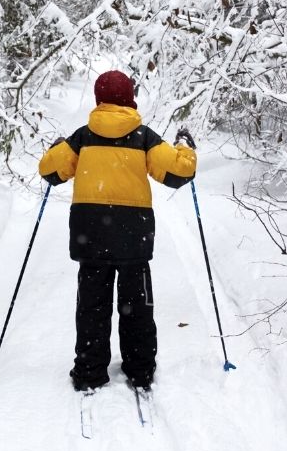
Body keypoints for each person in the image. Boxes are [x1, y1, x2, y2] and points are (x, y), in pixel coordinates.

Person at [39, 70, 197, 392]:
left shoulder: (82, 137)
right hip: (132, 237)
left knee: (92, 305)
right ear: (129, 99)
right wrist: (185, 146)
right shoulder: (143, 137)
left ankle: (90, 370)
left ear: (99, 100)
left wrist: (56, 147)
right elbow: (180, 172)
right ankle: (139, 369)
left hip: (91, 235)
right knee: (136, 305)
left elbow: (50, 171)